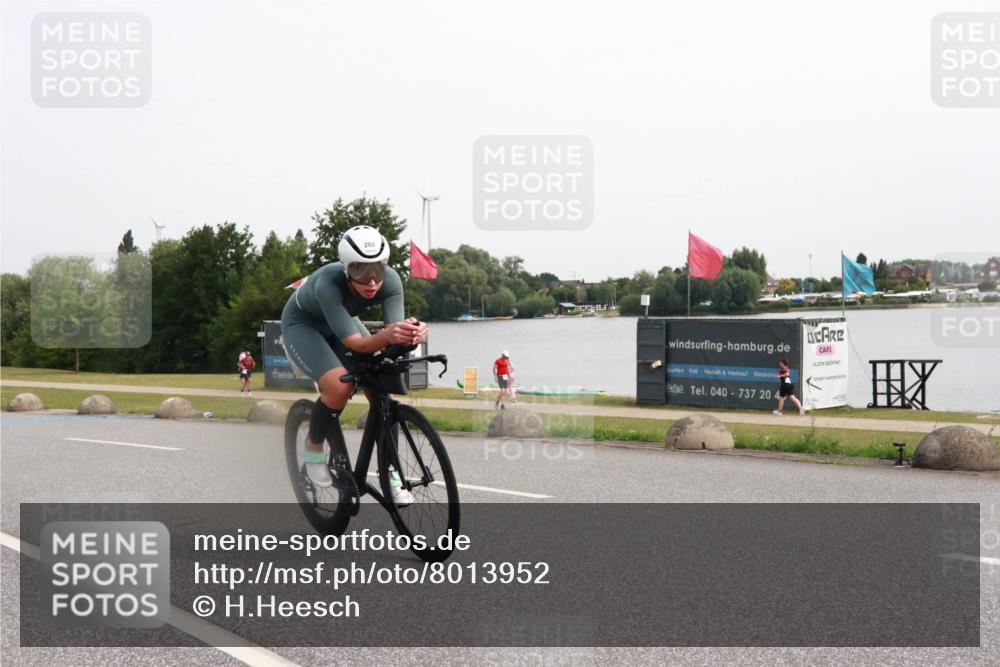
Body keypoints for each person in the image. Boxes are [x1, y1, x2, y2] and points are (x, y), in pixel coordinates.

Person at [280, 225, 427, 504]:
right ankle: (313, 449)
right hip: (304, 325)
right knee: (338, 388)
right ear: (347, 269)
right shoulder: (328, 283)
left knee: (381, 387)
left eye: (377, 271)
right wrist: (387, 335)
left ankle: (391, 473)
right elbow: (356, 344)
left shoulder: (392, 281)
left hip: (341, 321)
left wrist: (413, 333)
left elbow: (391, 340)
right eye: (360, 272)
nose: (371, 282)